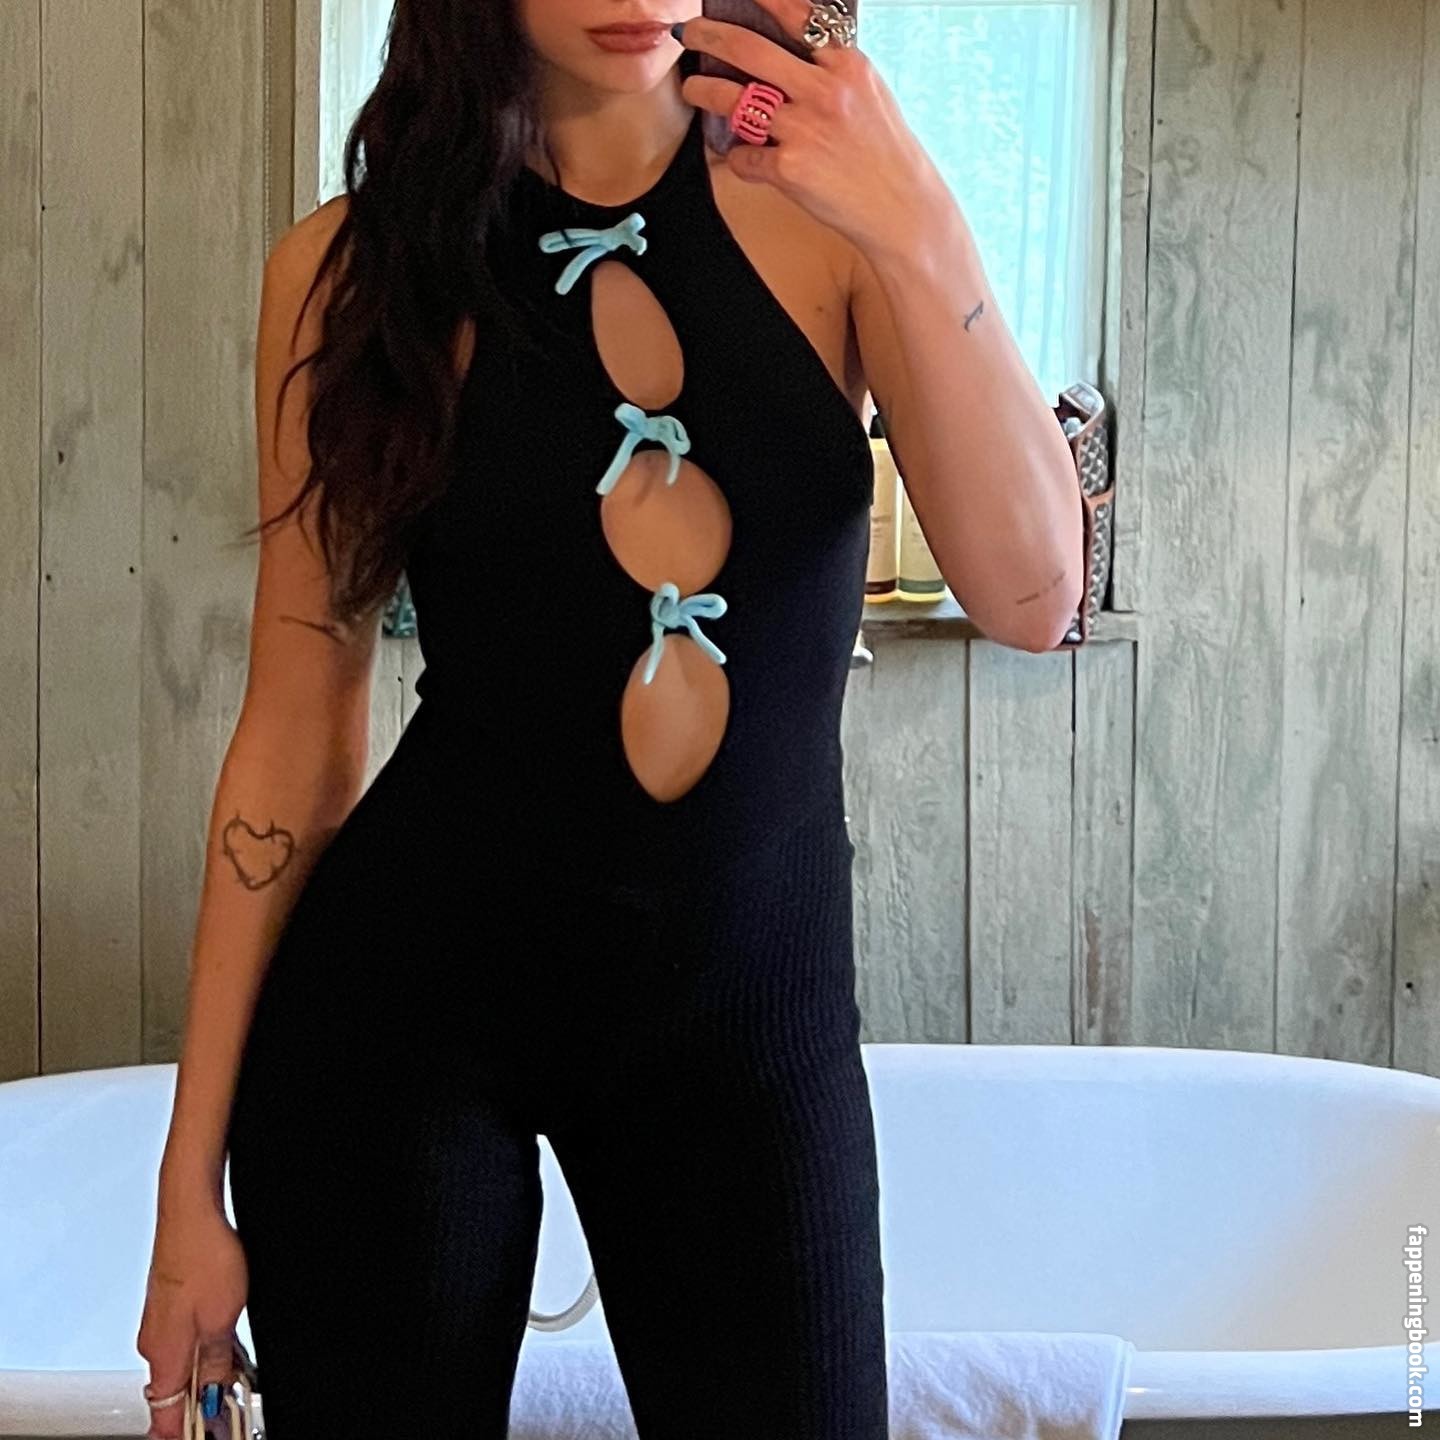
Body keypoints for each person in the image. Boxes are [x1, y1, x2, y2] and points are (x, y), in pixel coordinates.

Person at [134, 0, 1083, 1434]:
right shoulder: (348, 275)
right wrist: (185, 1190)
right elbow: (292, 737)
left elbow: (1032, 598)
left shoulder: (837, 221)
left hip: (746, 1031)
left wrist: (926, 225)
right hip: (401, 1030)